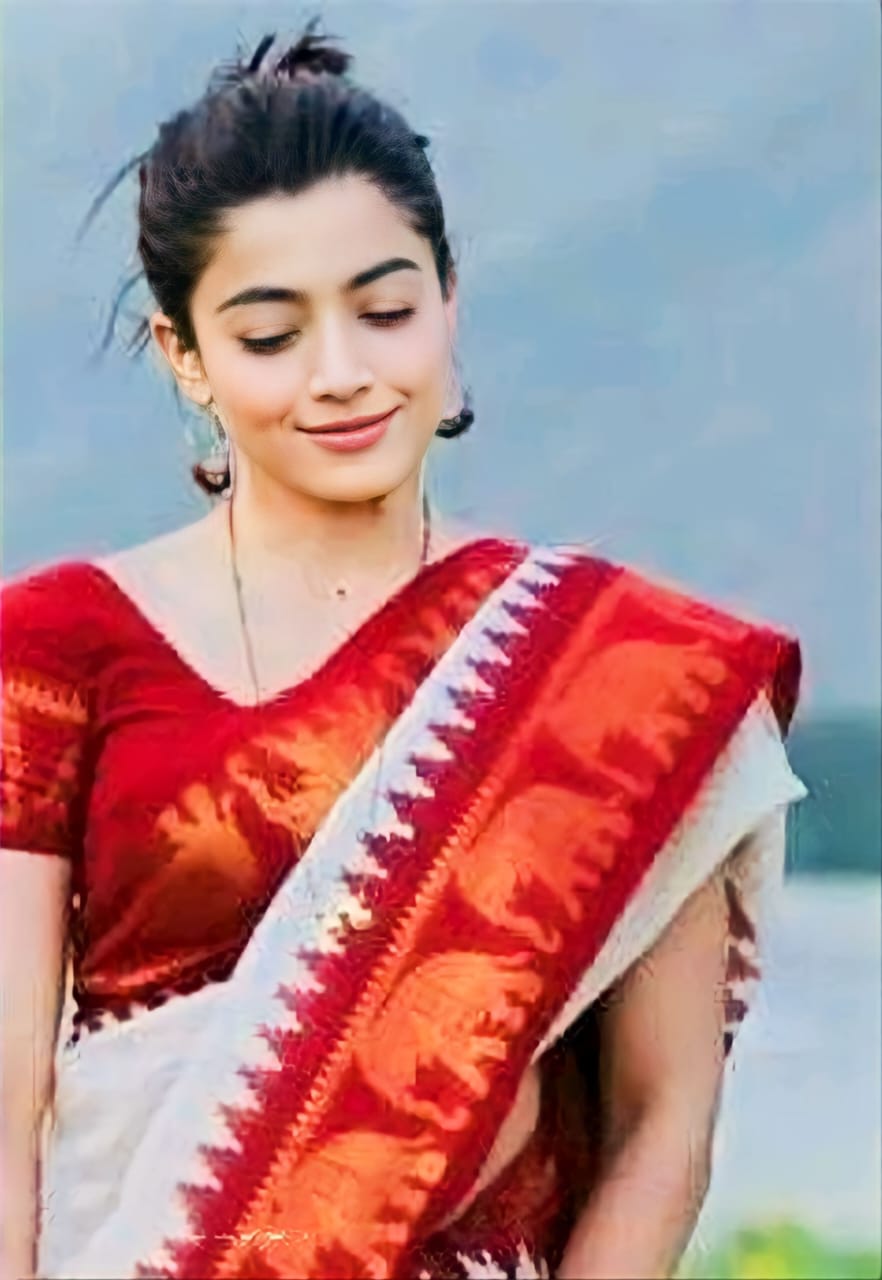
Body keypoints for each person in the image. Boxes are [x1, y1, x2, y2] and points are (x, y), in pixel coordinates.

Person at [0, 21, 807, 1280]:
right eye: (270, 336)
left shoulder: (614, 670)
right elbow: (5, 1112)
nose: (343, 374)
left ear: (447, 302)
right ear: (186, 357)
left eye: (385, 310)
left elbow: (664, 1120)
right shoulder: (56, 645)